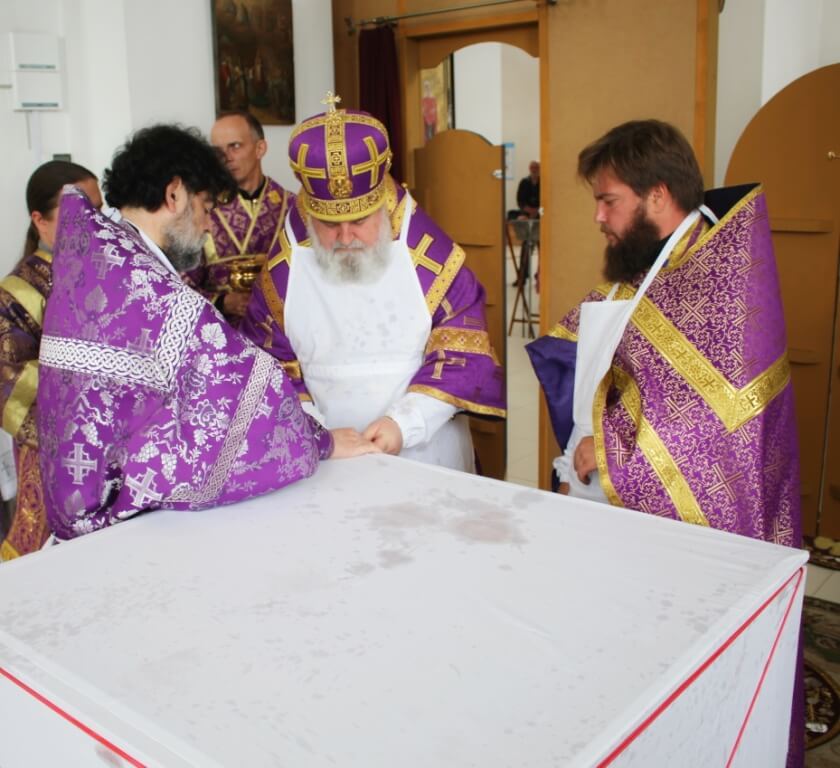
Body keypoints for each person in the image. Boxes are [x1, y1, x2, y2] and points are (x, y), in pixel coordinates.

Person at [527, 119, 802, 765]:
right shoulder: (659, 260)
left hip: (695, 539)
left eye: (609, 200)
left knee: (691, 683)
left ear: (657, 195)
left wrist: (608, 453)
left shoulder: (723, 279)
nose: (598, 217)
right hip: (617, 521)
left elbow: (716, 429)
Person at [37, 125, 378, 541]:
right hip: (115, 531)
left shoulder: (104, 257)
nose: (208, 227)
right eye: (204, 207)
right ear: (174, 194)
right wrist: (320, 443)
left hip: (83, 500)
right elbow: (237, 392)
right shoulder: (148, 288)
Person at [240, 95, 505, 472]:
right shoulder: (282, 273)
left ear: (383, 204)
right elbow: (268, 365)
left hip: (424, 452)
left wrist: (405, 423)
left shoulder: (434, 262)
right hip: (327, 459)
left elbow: (464, 356)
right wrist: (317, 434)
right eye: (329, 225)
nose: (346, 237)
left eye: (361, 221)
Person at [0, 161, 102, 560]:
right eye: (78, 214)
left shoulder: (106, 272)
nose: (94, 224)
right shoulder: (16, 293)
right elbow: (8, 381)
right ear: (39, 220)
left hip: (115, 446)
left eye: (99, 210)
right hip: (55, 451)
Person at [182, 111, 292, 326]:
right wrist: (222, 301)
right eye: (218, 151)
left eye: (235, 146)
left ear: (260, 148)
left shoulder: (292, 207)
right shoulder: (202, 210)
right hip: (221, 333)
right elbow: (181, 284)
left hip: (281, 330)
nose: (226, 157)